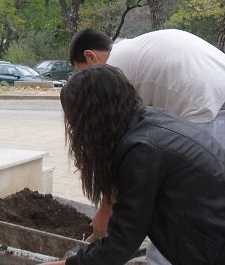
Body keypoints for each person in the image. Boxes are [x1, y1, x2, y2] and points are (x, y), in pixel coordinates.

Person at [68, 28, 225, 265]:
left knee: (172, 214)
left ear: (91, 57)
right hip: (212, 103)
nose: (89, 84)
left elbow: (124, 155)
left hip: (207, 110)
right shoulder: (133, 53)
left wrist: (105, 212)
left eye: (84, 74)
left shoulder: (114, 69)